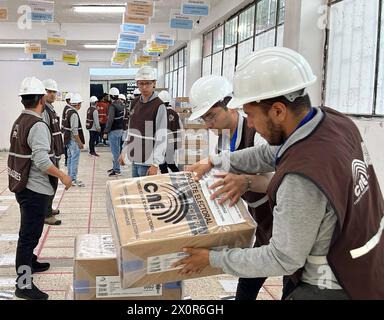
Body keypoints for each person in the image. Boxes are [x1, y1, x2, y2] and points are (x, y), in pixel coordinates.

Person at [174, 47, 384, 300]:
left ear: (277, 110)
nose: (249, 123)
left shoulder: (301, 177)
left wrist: (213, 258)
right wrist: (215, 160)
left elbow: (282, 258)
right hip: (368, 264)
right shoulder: (335, 123)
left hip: (329, 286)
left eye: (251, 115)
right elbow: (270, 154)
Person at [188, 75, 274, 300]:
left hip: (279, 216)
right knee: (250, 277)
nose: (208, 124)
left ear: (230, 106)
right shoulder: (223, 138)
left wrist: (246, 182)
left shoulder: (258, 135)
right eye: (204, 119)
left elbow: (277, 182)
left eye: (211, 116)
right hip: (261, 218)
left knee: (290, 277)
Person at [8, 77, 72, 300]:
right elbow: (42, 161)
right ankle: (23, 284)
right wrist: (63, 175)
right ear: (42, 99)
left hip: (23, 185)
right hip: (34, 189)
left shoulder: (20, 120)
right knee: (28, 235)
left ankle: (31, 262)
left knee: (31, 233)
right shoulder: (37, 125)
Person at [119, 66, 168, 177]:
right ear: (137, 84)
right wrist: (124, 151)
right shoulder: (134, 103)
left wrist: (155, 164)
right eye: (141, 83)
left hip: (148, 162)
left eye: (148, 83)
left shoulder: (159, 106)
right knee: (135, 192)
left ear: (154, 83)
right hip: (134, 158)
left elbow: (162, 136)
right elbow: (130, 131)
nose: (144, 87)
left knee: (145, 194)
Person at [42, 79, 63, 226]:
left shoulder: (51, 109)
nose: (52, 94)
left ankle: (48, 208)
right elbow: (44, 133)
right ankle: (46, 214)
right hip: (49, 154)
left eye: (54, 92)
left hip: (54, 152)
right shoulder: (44, 110)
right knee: (50, 183)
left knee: (53, 183)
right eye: (49, 91)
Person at [63, 93, 86, 187]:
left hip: (68, 140)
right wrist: (79, 142)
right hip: (73, 141)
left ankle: (69, 178)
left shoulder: (67, 110)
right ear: (77, 104)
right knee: (74, 160)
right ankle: (73, 179)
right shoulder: (74, 114)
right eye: (80, 103)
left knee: (70, 159)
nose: (81, 105)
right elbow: (75, 131)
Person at [158, 90, 183, 174]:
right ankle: (176, 176)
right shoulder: (175, 113)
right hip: (173, 142)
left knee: (164, 163)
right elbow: (181, 128)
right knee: (168, 162)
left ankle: (176, 177)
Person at [105, 90, 125, 177]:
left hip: (113, 131)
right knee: (117, 150)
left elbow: (110, 120)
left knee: (115, 151)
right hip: (120, 130)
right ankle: (115, 167)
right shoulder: (121, 104)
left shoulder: (112, 106)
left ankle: (117, 170)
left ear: (112, 96)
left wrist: (106, 131)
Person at [62, 92, 73, 167]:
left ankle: (67, 160)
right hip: (67, 131)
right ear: (69, 100)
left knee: (67, 146)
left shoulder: (67, 108)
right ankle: (67, 160)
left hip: (66, 130)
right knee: (67, 146)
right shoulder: (68, 109)